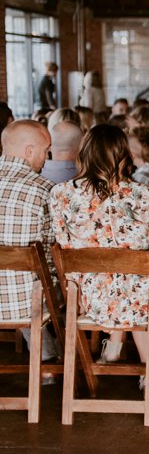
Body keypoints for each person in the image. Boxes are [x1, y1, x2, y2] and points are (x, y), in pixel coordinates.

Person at [49, 125, 149, 379]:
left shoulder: (61, 194)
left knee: (118, 278)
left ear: (84, 153)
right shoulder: (144, 193)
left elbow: (62, 243)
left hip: (88, 297)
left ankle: (112, 349)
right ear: (123, 155)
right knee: (137, 279)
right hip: (140, 299)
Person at [0, 120, 58, 362]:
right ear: (30, 151)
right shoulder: (45, 189)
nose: (47, 158)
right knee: (56, 282)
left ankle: (47, 356)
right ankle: (50, 361)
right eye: (46, 151)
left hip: (16, 295)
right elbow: (54, 250)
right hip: (25, 303)